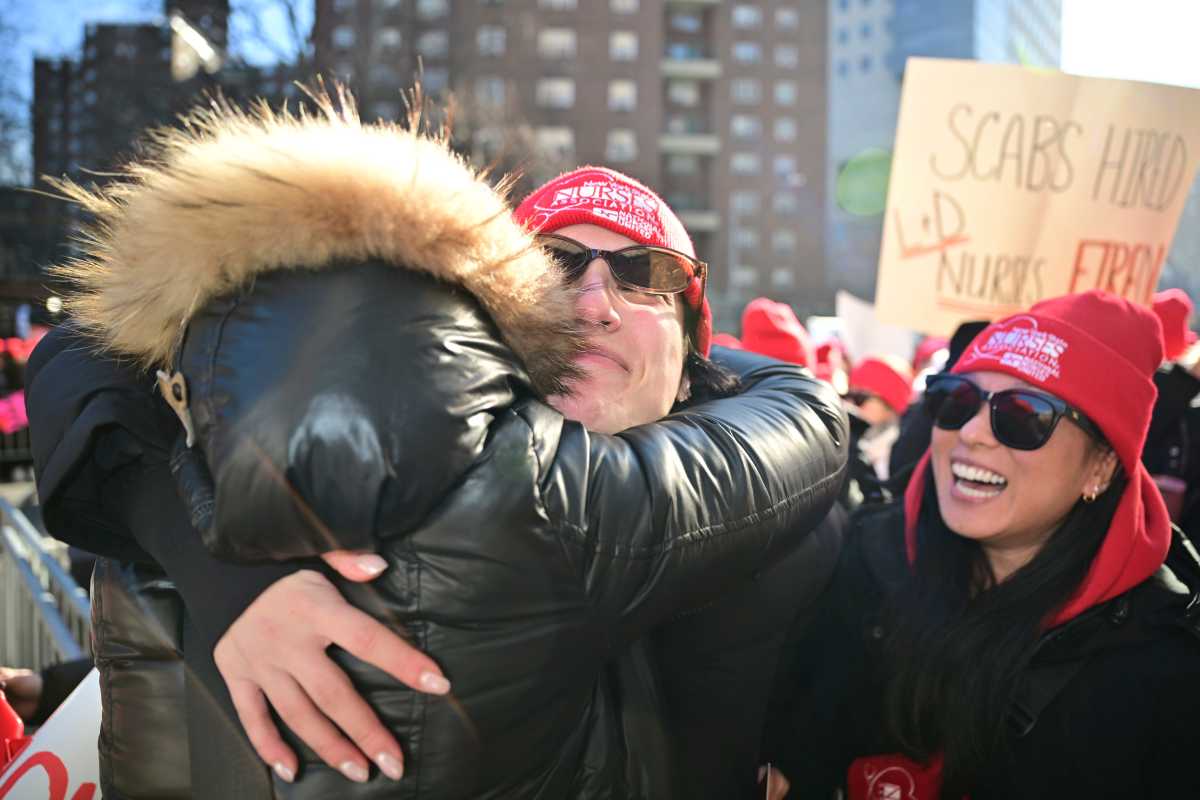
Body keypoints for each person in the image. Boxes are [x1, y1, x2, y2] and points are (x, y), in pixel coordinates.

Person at [29, 91, 847, 798]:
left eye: (645, 274)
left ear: (693, 347)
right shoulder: (382, 475)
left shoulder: (807, 529)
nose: (596, 302)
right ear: (497, 328)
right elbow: (85, 356)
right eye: (558, 264)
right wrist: (226, 573)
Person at [765, 291, 1200, 799]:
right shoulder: (868, 556)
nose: (971, 432)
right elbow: (805, 738)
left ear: (1101, 467)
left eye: (1024, 415)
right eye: (958, 400)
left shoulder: (1166, 662)